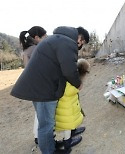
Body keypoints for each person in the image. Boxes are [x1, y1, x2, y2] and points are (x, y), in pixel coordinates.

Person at [11, 26, 89, 154]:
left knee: (47, 122)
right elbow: (69, 70)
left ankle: (50, 145)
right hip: (42, 88)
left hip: (41, 85)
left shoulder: (58, 39)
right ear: (80, 37)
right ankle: (49, 151)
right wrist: (78, 83)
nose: (80, 45)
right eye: (82, 42)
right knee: (46, 125)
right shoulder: (67, 42)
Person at [19, 26, 47, 145]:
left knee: (38, 112)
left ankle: (37, 135)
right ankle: (40, 137)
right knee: (42, 113)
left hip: (32, 84)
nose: (45, 40)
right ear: (36, 37)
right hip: (39, 84)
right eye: (44, 37)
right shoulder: (36, 49)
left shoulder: (26, 50)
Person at [55, 58, 90, 151]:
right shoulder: (72, 80)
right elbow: (69, 90)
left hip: (68, 104)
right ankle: (67, 141)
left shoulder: (70, 76)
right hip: (66, 106)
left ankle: (73, 131)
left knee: (72, 120)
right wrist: (78, 87)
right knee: (68, 123)